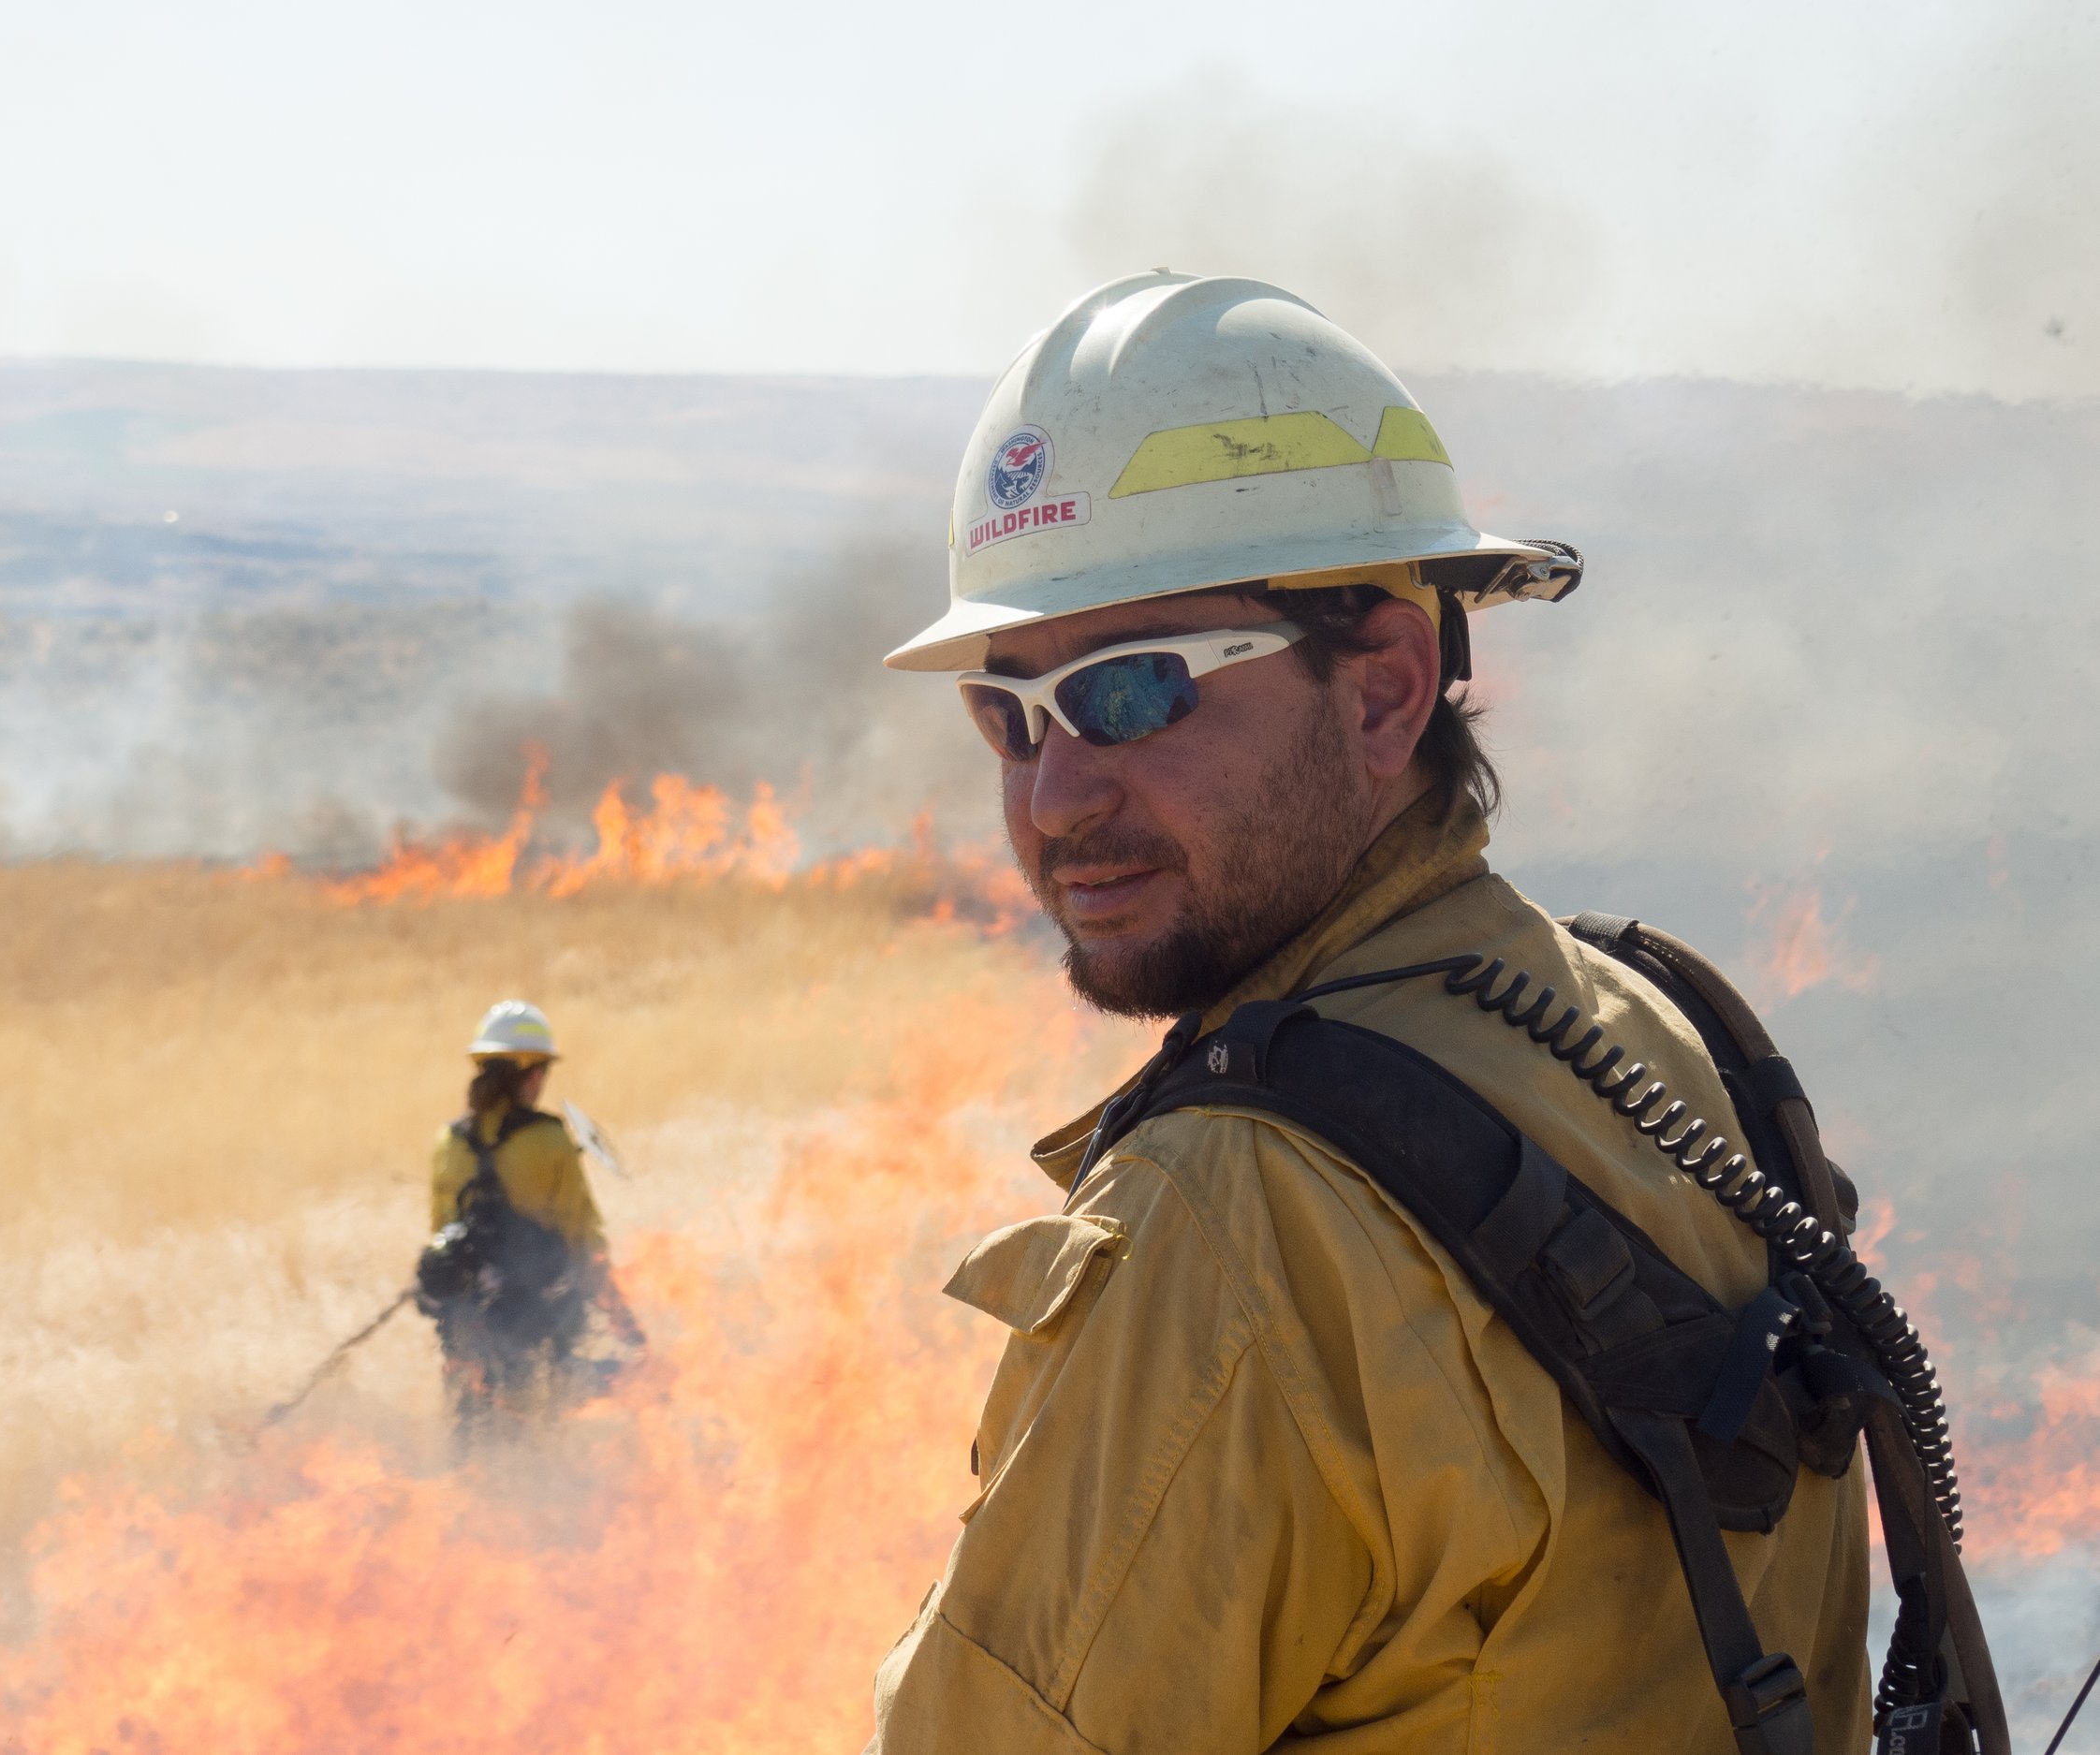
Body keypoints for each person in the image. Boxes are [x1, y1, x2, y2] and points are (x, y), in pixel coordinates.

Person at [867, 274, 1997, 1754]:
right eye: (1007, 710)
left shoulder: (1233, 1217)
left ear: (1387, 690)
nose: (1054, 794)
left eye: (1133, 689)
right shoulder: (1648, 1023)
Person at [417, 1000, 640, 1441]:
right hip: (535, 1327)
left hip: (466, 1332)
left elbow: (440, 1228)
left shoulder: (448, 1143)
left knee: (473, 1442)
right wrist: (624, 1322)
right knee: (538, 1438)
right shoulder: (551, 1140)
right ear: (533, 1074)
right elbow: (584, 1244)